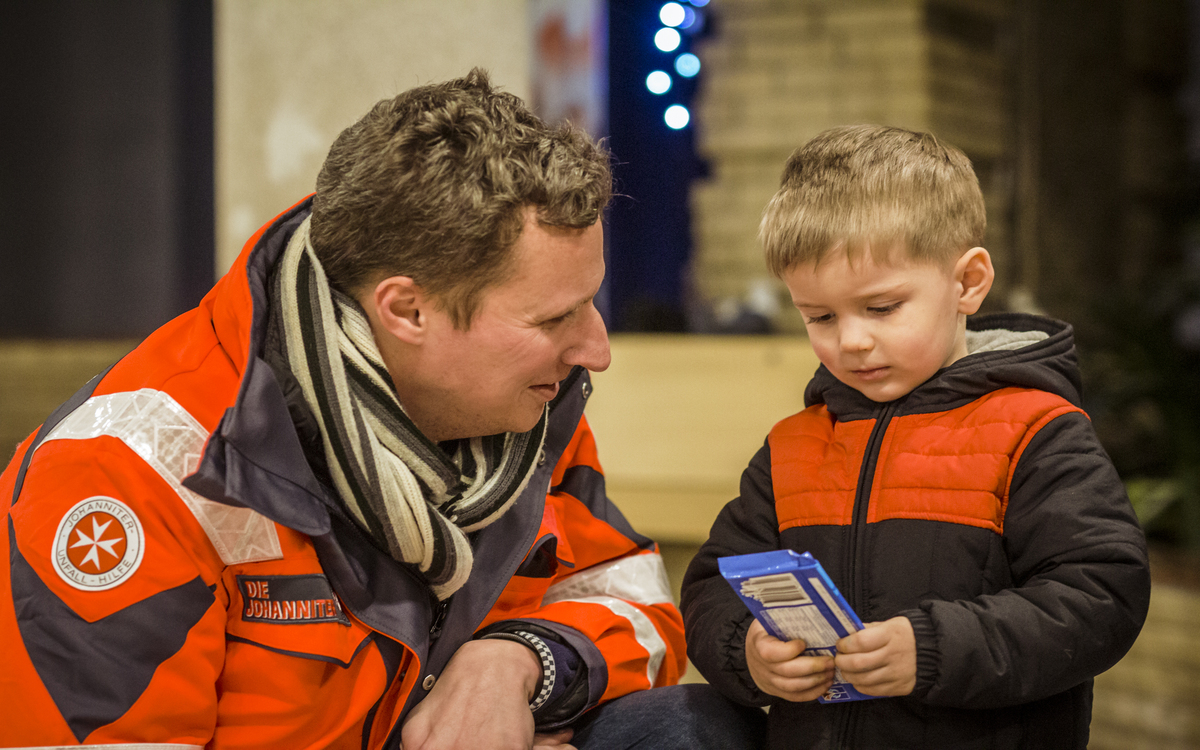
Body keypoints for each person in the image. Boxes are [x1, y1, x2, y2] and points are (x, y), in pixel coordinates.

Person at [0, 69, 765, 750]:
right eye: (552, 319)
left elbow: (625, 595)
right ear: (406, 311)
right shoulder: (129, 473)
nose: (595, 350)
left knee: (686, 728)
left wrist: (519, 664)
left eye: (590, 305)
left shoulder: (522, 407)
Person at [680, 124, 1151, 749]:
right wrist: (748, 651)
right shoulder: (792, 446)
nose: (849, 341)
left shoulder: (1035, 432)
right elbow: (714, 584)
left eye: (881, 308)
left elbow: (1100, 594)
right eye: (820, 316)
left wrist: (931, 648)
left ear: (967, 283)